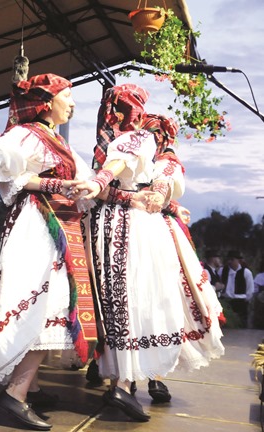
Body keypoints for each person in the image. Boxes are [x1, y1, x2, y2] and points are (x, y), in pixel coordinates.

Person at [84, 85, 224, 422]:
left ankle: (128, 380)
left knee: (133, 300)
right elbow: (145, 184)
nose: (156, 136)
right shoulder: (135, 143)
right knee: (143, 300)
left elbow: (158, 186)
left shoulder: (147, 150)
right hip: (134, 229)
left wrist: (162, 199)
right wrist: (153, 198)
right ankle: (125, 382)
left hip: (122, 225)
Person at [0, 73, 98, 431]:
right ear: (47, 102)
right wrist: (53, 182)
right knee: (44, 306)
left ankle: (28, 387)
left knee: (53, 305)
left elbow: (86, 179)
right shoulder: (26, 133)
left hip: (58, 226)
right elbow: (3, 172)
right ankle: (15, 393)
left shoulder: (55, 140)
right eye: (67, 97)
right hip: (38, 223)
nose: (72, 104)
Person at [219, 250, 254, 327]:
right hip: (226, 300)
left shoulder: (246, 272)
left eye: (232, 259)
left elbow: (250, 290)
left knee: (241, 324)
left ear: (238, 260)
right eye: (229, 259)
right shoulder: (222, 271)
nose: (230, 262)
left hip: (240, 302)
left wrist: (244, 300)